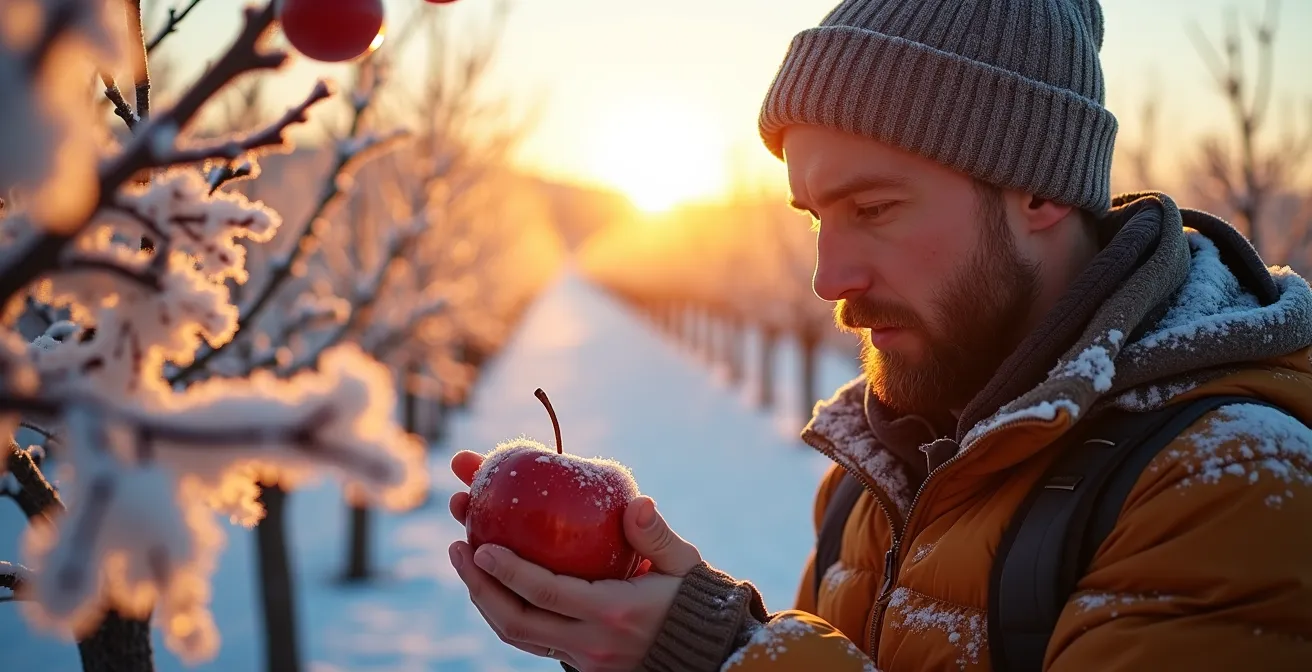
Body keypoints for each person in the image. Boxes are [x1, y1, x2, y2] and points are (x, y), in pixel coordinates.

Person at [445, 0, 1312, 669]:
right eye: (816, 216)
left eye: (874, 209)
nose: (828, 278)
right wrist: (667, 631)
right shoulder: (880, 469)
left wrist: (718, 656)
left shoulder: (1231, 474)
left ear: (1040, 192)